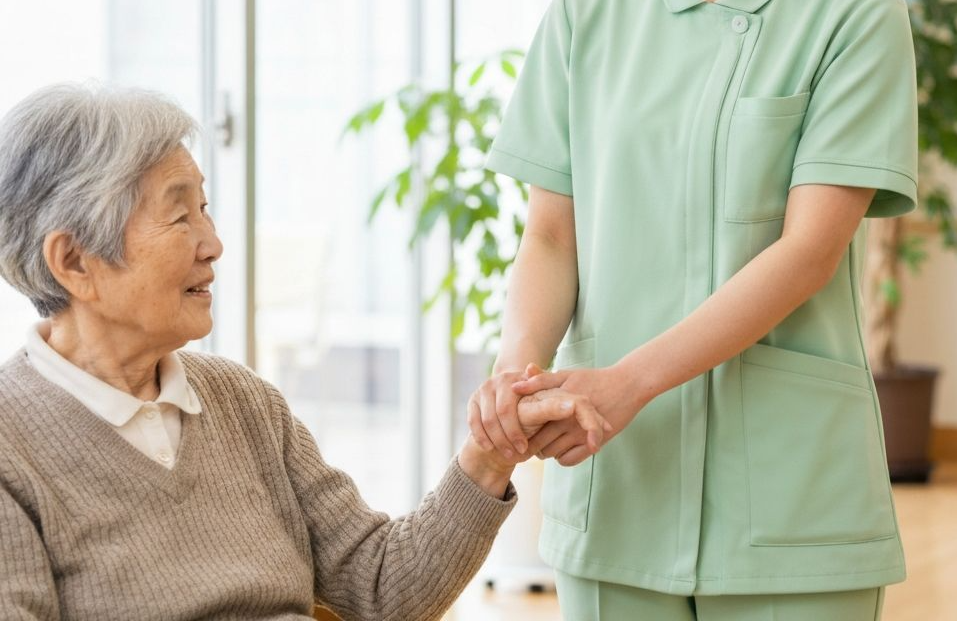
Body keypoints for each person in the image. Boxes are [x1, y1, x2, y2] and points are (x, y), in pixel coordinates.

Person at [468, 0, 918, 621]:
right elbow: (552, 239)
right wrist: (519, 379)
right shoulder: (584, 19)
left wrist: (624, 384)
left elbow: (807, 253)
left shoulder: (856, 22)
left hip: (792, 505)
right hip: (616, 486)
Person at [0, 83, 610, 621]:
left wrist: (490, 450)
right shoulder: (12, 448)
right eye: (179, 216)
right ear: (74, 262)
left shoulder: (242, 403)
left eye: (205, 210)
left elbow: (384, 588)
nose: (213, 244)